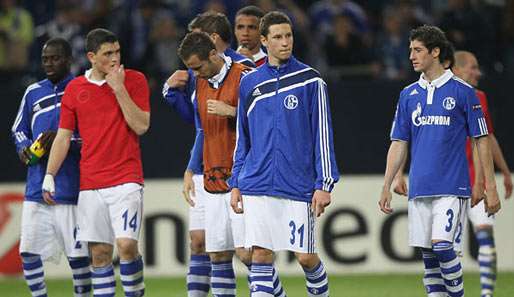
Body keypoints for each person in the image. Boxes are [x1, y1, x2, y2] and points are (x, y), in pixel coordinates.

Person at [379, 25, 501, 297]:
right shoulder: (408, 94)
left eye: (418, 50)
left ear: (435, 52)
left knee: (443, 246)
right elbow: (399, 142)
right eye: (410, 50)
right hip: (420, 187)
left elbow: (481, 139)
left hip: (452, 187)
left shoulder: (463, 92)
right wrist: (387, 183)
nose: (411, 55)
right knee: (430, 260)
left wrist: (489, 186)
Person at [230, 11, 339, 297]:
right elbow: (243, 137)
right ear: (264, 41)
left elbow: (323, 135)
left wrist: (324, 184)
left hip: (297, 183)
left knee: (305, 257)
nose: (285, 42)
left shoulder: (310, 80)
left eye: (288, 35)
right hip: (257, 181)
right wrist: (236, 182)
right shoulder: (249, 83)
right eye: (277, 37)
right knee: (261, 255)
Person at [43, 28, 150, 297]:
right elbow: (63, 138)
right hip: (90, 182)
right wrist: (49, 175)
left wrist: (119, 88)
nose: (115, 59)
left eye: (117, 52)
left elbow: (140, 126)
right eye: (107, 54)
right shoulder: (75, 89)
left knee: (126, 246)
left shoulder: (134, 80)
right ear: (91, 56)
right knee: (100, 254)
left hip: (126, 179)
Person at [11, 37, 91, 297]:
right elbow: (18, 129)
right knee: (28, 251)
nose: (49, 63)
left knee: (78, 257)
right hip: (36, 185)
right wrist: (25, 149)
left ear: (68, 60)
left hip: (71, 186)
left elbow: (92, 134)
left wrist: (63, 139)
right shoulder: (33, 91)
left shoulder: (81, 89)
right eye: (45, 58)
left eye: (55, 58)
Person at [176, 31, 249, 297]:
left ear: (213, 54)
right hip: (212, 178)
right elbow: (202, 130)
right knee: (217, 254)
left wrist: (232, 111)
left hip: (243, 180)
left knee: (249, 254)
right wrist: (191, 169)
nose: (195, 74)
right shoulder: (201, 82)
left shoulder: (244, 75)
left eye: (198, 67)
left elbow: (266, 123)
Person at [452, 51, 511, 297]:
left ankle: (487, 294)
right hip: (452, 180)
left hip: (477, 177)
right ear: (456, 70)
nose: (478, 73)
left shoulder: (479, 97)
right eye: (472, 68)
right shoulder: (440, 96)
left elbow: (487, 137)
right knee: (449, 248)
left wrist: (505, 172)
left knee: (485, 235)